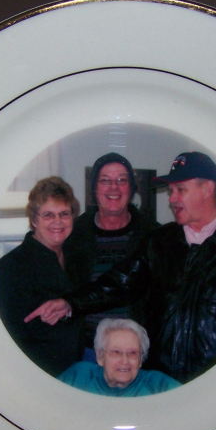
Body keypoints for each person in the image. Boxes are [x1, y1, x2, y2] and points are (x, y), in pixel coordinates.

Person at [26, 151, 216, 384]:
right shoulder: (162, 239)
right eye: (171, 191)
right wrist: (70, 303)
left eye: (180, 190)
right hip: (161, 379)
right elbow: (120, 282)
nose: (171, 199)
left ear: (207, 189)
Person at [63, 152, 157, 361]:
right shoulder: (74, 234)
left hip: (137, 355)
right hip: (86, 351)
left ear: (131, 189)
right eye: (105, 181)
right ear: (94, 189)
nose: (113, 187)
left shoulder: (153, 236)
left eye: (122, 181)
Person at [0, 176, 83, 377]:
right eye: (48, 215)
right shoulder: (12, 265)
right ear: (34, 220)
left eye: (64, 214)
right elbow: (12, 333)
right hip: (38, 373)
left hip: (76, 368)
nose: (57, 222)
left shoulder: (76, 257)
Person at [57, 318, 180, 396]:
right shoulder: (79, 376)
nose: (125, 361)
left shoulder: (158, 385)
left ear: (140, 360)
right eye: (116, 352)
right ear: (100, 357)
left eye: (132, 353)